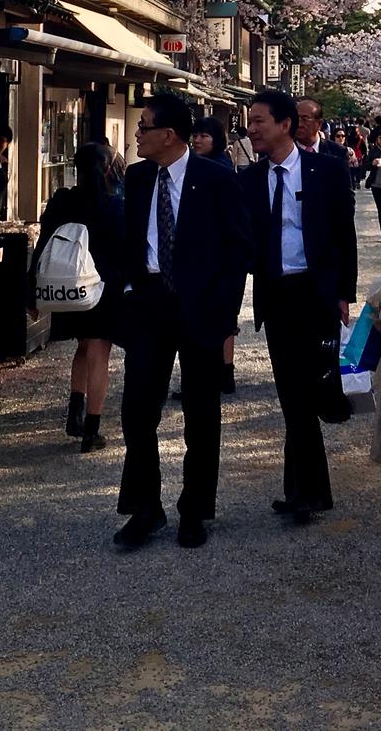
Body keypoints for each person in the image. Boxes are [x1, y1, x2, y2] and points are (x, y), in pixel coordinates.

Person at [113, 92, 252, 550]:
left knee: (201, 414)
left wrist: (223, 309)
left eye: (144, 126)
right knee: (137, 409)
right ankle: (144, 507)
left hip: (199, 304)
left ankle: (195, 508)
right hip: (150, 303)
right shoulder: (136, 178)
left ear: (168, 135)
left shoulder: (215, 178)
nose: (137, 134)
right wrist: (129, 292)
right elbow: (129, 241)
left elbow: (237, 250)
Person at [241, 88, 357, 522]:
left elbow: (344, 236)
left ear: (285, 124)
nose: (251, 129)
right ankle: (304, 492)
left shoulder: (326, 170)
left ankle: (304, 492)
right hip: (278, 295)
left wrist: (345, 292)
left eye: (259, 122)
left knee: (311, 392)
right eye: (249, 122)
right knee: (292, 395)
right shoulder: (248, 179)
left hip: (318, 292)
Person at [44, 142, 125, 453]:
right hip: (103, 287)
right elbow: (126, 248)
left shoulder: (63, 200)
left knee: (82, 347)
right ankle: (92, 429)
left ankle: (75, 411)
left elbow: (45, 242)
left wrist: (32, 290)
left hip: (69, 285)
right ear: (107, 168)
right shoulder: (115, 205)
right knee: (98, 354)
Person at [191, 113, 243, 392]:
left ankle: (222, 373)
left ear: (217, 139)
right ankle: (223, 373)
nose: (198, 140)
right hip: (213, 258)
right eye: (196, 135)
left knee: (221, 318)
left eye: (204, 136)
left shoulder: (219, 170)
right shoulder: (200, 165)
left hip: (221, 258)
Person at [295, 98, 350, 168]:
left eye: (305, 119)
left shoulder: (337, 152)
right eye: (296, 119)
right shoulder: (284, 152)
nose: (299, 124)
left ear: (319, 124)